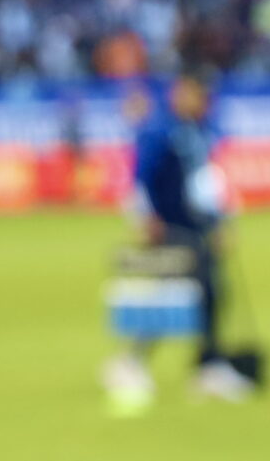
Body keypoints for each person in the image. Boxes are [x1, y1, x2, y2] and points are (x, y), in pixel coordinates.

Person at [103, 72, 254, 408]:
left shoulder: (201, 131)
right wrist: (144, 218)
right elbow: (141, 178)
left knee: (207, 292)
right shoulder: (161, 131)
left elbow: (205, 182)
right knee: (177, 294)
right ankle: (136, 362)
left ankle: (206, 364)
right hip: (169, 227)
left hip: (197, 227)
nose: (186, 99)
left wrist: (219, 222)